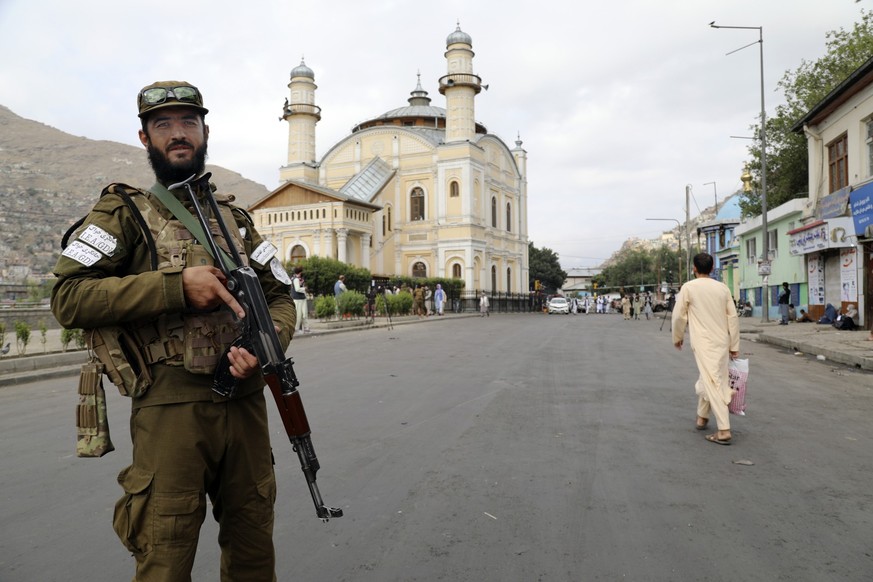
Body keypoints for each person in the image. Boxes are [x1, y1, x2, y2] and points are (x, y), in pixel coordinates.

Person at [50, 81, 296, 579]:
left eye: (188, 122)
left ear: (205, 131)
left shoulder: (237, 220)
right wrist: (175, 287)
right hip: (170, 409)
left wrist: (263, 344)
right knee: (166, 554)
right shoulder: (123, 214)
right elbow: (68, 296)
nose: (178, 134)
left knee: (253, 551)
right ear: (145, 138)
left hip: (246, 403)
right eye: (163, 125)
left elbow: (282, 297)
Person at [672, 253, 740, 446]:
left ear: (694, 268)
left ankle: (724, 429)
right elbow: (732, 318)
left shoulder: (689, 287)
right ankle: (702, 417)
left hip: (703, 342)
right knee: (710, 376)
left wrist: (677, 337)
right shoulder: (723, 288)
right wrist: (734, 345)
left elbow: (678, 316)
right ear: (711, 269)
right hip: (722, 341)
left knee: (712, 381)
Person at [291, 265, 309, 332]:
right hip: (297, 299)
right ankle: (297, 328)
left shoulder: (298, 279)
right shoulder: (295, 279)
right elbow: (297, 289)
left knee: (304, 314)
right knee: (298, 314)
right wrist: (305, 289)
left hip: (302, 298)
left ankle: (306, 328)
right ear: (300, 272)